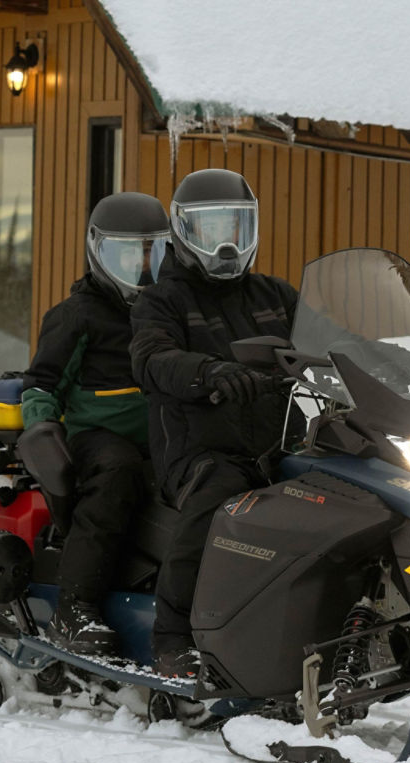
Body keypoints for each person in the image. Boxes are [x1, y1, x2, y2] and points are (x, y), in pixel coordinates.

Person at [129, 169, 298, 677]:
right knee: (220, 495)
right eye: (210, 230)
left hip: (279, 443)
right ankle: (174, 637)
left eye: (235, 229)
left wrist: (404, 364)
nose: (225, 245)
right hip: (201, 450)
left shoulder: (277, 295)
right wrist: (208, 372)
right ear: (183, 233)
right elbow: (151, 359)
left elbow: (336, 341)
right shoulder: (163, 300)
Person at [21, 192, 171, 655]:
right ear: (98, 253)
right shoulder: (78, 315)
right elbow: (41, 384)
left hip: (165, 437)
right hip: (94, 441)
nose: (140, 265)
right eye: (126, 253)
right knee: (118, 470)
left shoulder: (168, 310)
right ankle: (75, 607)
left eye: (152, 252)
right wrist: (43, 434)